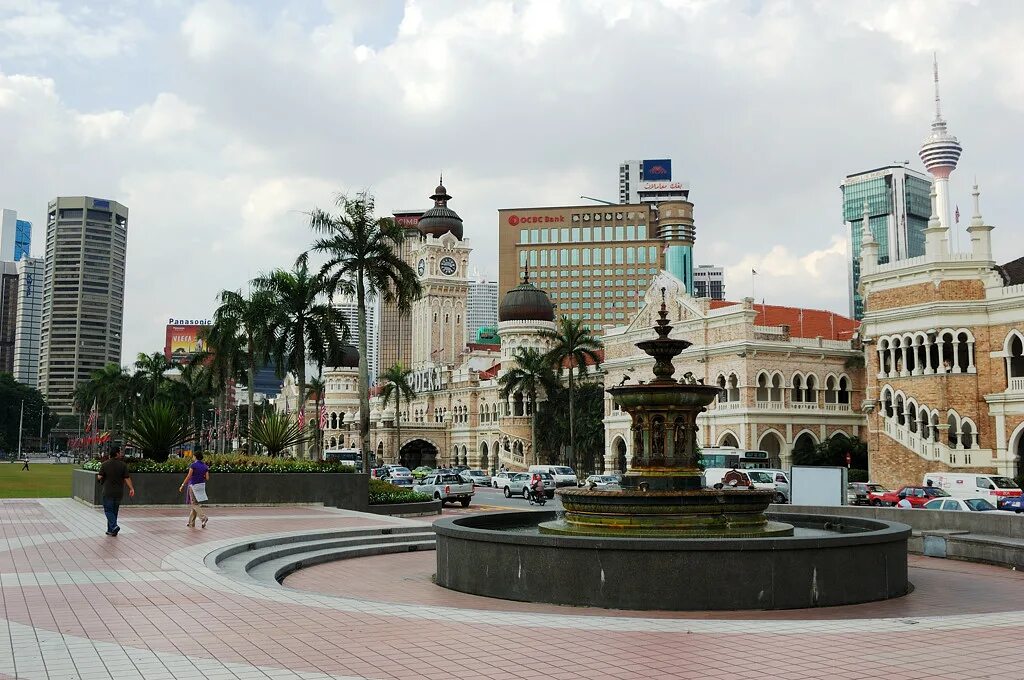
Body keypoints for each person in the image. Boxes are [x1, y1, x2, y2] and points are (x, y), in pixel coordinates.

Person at [97, 450, 134, 536]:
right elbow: (127, 478)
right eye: (120, 452)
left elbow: (99, 477)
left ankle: (114, 526)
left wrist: (99, 478)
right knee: (114, 511)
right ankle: (111, 530)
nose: (121, 454)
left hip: (108, 491)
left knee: (108, 510)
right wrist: (131, 488)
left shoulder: (105, 464)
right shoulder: (123, 465)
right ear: (117, 454)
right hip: (118, 492)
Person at [179, 452, 210, 528]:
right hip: (201, 486)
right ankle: (191, 523)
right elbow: (207, 478)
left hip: (193, 486)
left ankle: (204, 518)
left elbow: (189, 476)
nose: (193, 457)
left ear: (195, 457)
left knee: (194, 504)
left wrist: (182, 485)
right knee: (195, 503)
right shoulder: (205, 466)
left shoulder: (193, 465)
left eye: (193, 456)